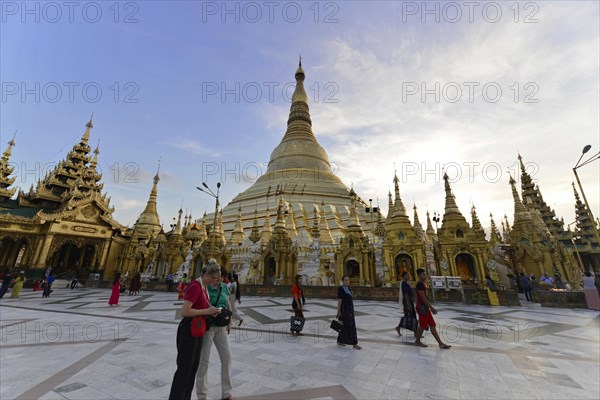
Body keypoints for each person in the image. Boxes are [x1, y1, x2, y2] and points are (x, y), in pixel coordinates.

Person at [169, 260, 222, 400]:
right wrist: (207, 310)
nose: (213, 281)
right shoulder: (195, 286)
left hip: (198, 330)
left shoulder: (204, 287)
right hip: (188, 330)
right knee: (184, 370)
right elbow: (184, 311)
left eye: (216, 279)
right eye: (212, 278)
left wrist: (211, 312)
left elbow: (200, 308)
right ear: (205, 274)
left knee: (192, 369)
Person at [196, 261, 235, 400]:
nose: (219, 279)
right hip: (208, 328)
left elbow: (228, 303)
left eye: (221, 277)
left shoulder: (224, 287)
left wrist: (230, 320)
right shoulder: (204, 288)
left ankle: (227, 392)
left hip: (222, 328)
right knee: (203, 362)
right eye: (217, 276)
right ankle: (202, 396)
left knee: (227, 358)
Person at [414, 268, 451, 349]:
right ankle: (417, 341)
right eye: (424, 274)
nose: (425, 275)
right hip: (422, 307)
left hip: (425, 307)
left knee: (432, 324)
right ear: (419, 275)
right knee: (422, 325)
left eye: (425, 274)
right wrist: (431, 307)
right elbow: (423, 297)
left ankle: (440, 343)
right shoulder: (420, 284)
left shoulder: (423, 283)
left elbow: (425, 297)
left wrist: (429, 306)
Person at [336, 275, 361, 349]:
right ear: (343, 281)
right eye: (345, 280)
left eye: (348, 280)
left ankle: (340, 340)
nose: (347, 281)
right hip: (344, 310)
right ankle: (354, 343)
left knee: (344, 326)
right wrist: (338, 311)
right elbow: (339, 300)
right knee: (351, 326)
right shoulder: (341, 288)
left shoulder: (348, 288)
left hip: (350, 310)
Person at [396, 271, 416, 336]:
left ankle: (415, 332)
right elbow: (406, 294)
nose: (409, 276)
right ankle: (416, 333)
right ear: (404, 276)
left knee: (410, 316)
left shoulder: (405, 283)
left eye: (409, 275)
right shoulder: (404, 284)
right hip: (408, 302)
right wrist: (408, 305)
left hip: (409, 302)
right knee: (410, 316)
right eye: (407, 275)